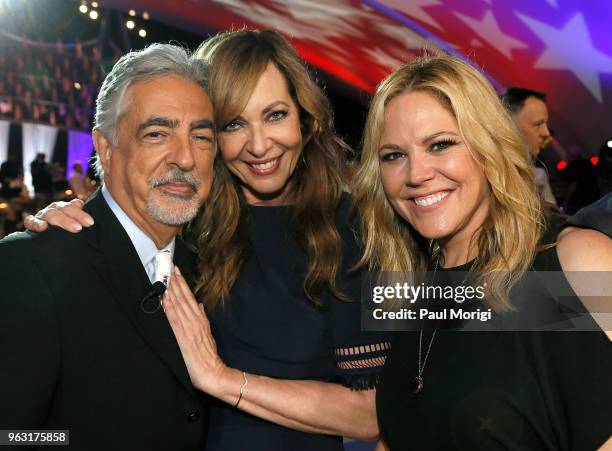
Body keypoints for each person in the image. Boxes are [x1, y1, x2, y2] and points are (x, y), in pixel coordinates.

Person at [23, 30, 388, 451]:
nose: (258, 145)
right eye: (232, 124)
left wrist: (222, 379)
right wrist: (78, 222)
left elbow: (370, 415)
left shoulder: (354, 228)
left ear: (305, 119)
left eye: (275, 115)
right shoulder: (192, 225)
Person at [353, 55, 612, 450]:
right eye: (393, 156)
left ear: (489, 145)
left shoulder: (575, 261)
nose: (416, 174)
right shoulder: (423, 285)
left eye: (440, 145)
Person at [0, 44, 216, 450]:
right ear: (105, 148)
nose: (185, 158)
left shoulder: (209, 265)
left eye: (201, 136)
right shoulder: (30, 266)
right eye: (157, 133)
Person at [501, 87, 557, 206]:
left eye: (545, 124)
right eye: (538, 124)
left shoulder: (538, 176)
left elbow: (553, 218)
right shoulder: (482, 174)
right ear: (507, 125)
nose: (546, 133)